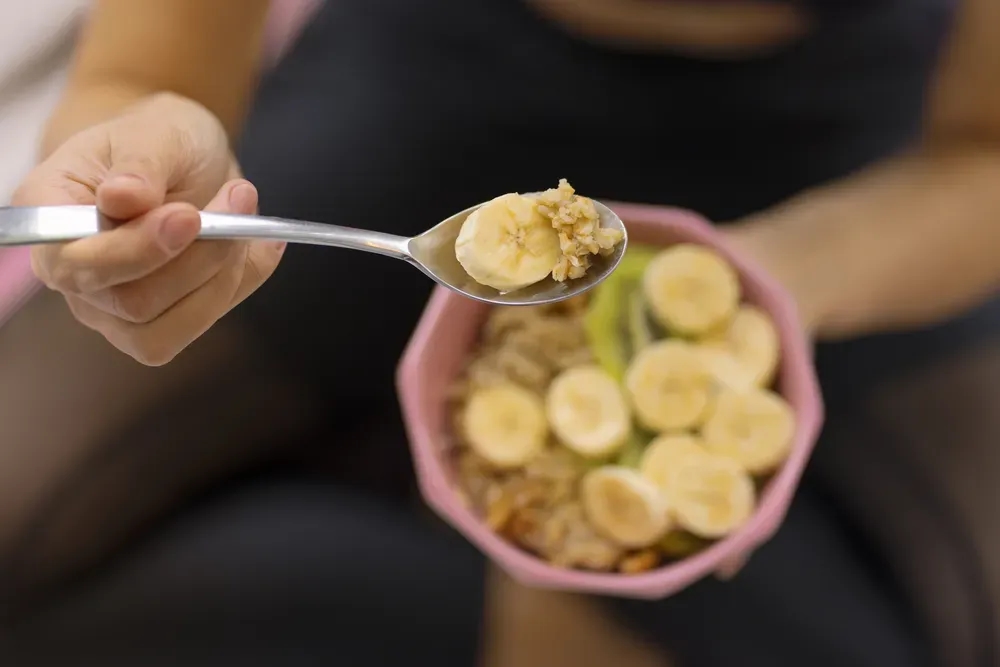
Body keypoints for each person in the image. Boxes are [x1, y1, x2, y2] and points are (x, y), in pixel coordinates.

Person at [1, 0, 999, 665]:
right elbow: (137, 71)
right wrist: (124, 152)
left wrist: (787, 270)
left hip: (844, 173)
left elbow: (985, 153)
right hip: (423, 95)